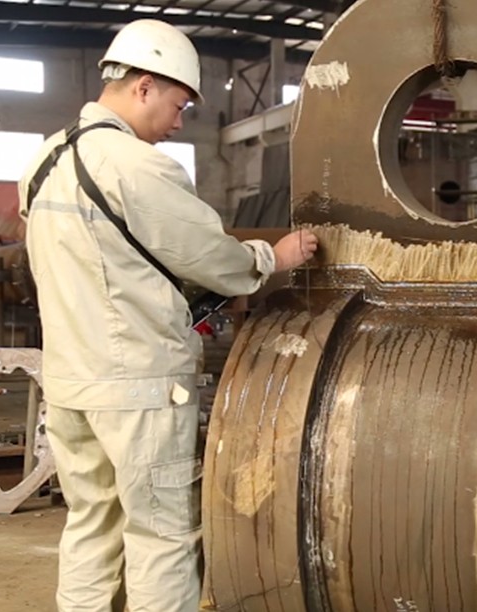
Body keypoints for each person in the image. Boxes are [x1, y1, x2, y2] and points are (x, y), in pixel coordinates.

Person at [17, 18, 317, 612]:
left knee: (90, 523)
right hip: (139, 388)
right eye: (178, 105)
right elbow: (212, 259)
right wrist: (273, 257)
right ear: (144, 86)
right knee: (161, 536)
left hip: (71, 385)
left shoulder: (43, 162)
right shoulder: (138, 167)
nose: (178, 123)